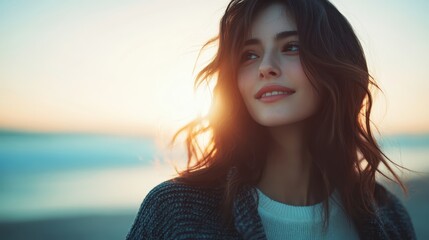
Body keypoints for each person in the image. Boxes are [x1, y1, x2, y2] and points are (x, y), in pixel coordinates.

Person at [127, 0, 416, 239]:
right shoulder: (175, 211)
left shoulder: (388, 215)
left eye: (291, 47)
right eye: (249, 55)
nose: (265, 67)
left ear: (335, 62)